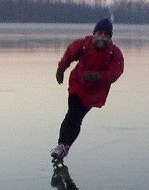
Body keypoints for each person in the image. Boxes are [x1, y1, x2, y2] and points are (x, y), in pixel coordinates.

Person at [51, 18, 124, 162]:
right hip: (77, 85)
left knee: (78, 119)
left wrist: (97, 76)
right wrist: (61, 69)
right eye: (100, 33)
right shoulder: (84, 45)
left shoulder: (114, 53)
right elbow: (70, 54)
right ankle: (61, 145)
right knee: (72, 113)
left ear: (110, 38)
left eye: (106, 35)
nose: (102, 37)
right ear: (94, 34)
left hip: (94, 93)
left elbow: (116, 72)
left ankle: (66, 147)